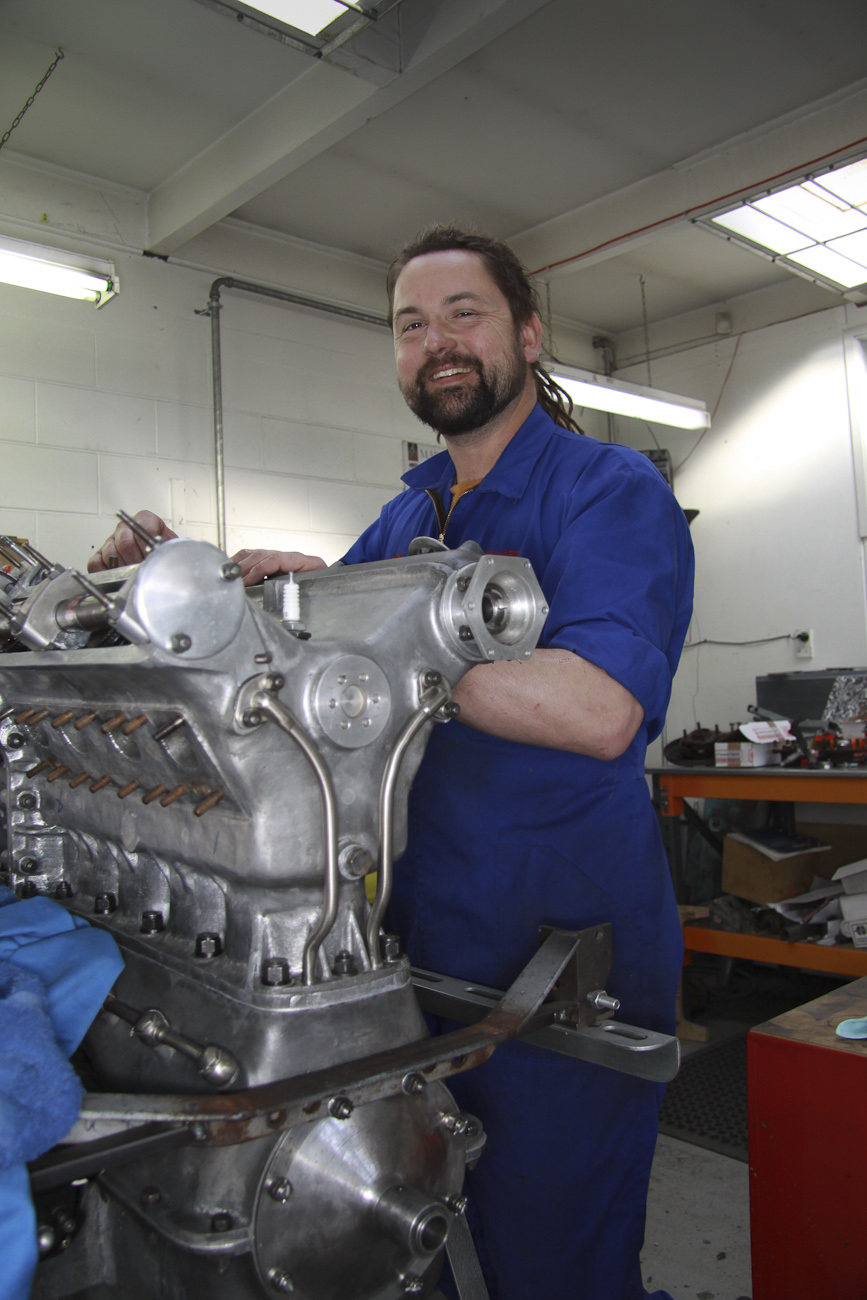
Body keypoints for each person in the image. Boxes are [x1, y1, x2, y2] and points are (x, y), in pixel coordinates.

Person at [90, 226, 694, 1300]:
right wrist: (246, 603)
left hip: (561, 963)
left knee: (557, 1260)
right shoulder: (409, 514)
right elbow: (324, 678)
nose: (438, 342)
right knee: (424, 1236)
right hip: (409, 953)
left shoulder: (607, 490)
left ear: (528, 332)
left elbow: (600, 708)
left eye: (465, 313)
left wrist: (349, 651)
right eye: (412, 325)